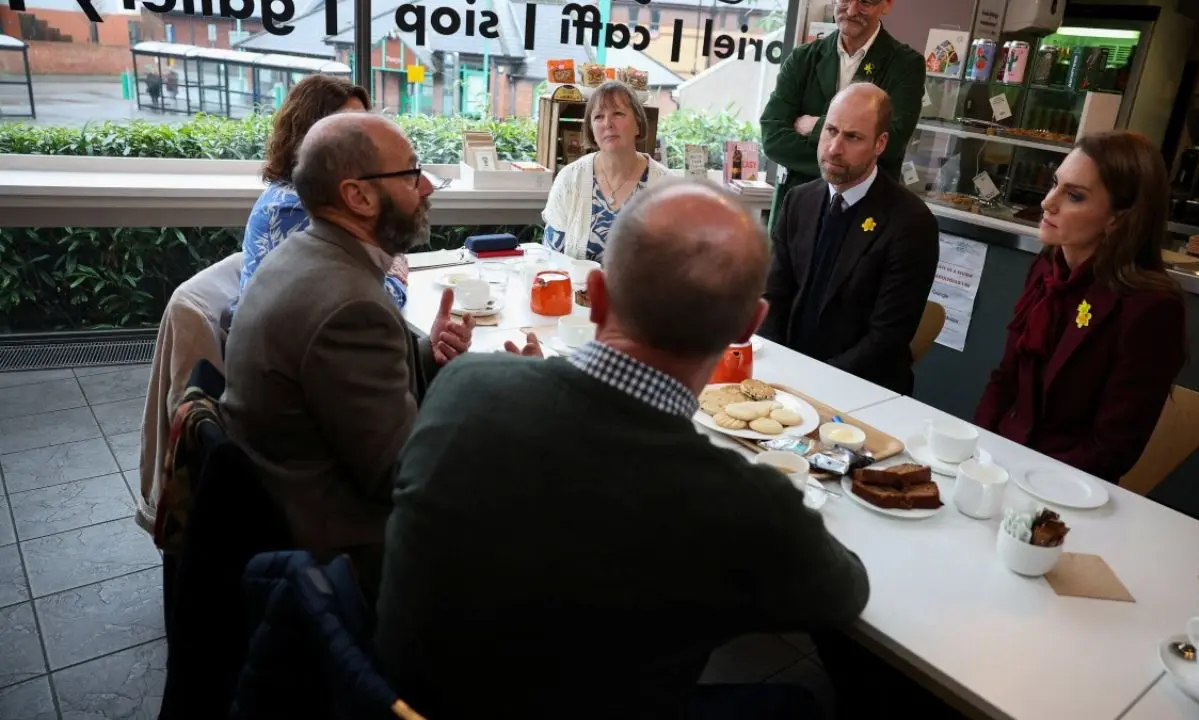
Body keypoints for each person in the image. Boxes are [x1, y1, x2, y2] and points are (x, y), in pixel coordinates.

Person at [377, 180, 871, 719]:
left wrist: (534, 391)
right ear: (747, 326)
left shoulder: (466, 385)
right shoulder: (740, 503)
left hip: (402, 699)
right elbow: (843, 595)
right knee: (796, 704)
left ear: (599, 294)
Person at [221, 112, 475, 597]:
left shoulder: (302, 254)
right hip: (347, 551)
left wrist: (424, 351)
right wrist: (492, 406)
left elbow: (335, 384)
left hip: (288, 499)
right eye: (411, 173)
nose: (425, 188)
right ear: (357, 196)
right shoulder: (351, 303)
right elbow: (400, 475)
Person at [974, 131, 1187, 483]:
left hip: (1065, 488)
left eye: (1073, 196)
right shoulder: (1047, 268)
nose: (1047, 203)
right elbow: (1005, 378)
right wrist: (977, 450)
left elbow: (1111, 449)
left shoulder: (1150, 309)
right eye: (1054, 184)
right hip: (1001, 463)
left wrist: (1021, 475)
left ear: (1117, 218)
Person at [761, 83, 939, 396]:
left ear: (880, 143)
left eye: (852, 137)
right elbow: (773, 296)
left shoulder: (911, 222)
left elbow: (886, 339)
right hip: (786, 380)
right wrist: (776, 369)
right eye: (830, 130)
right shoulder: (798, 201)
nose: (833, 148)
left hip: (860, 392)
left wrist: (810, 383)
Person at [233, 75, 410, 318]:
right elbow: (370, 305)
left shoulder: (314, 193)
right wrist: (396, 275)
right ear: (310, 136)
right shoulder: (296, 209)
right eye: (351, 131)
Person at [760, 0, 924, 225]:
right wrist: (853, 158)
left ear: (886, 5)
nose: (852, 9)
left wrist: (818, 127)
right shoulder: (802, 59)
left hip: (865, 213)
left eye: (865, 2)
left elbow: (891, 143)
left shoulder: (905, 65)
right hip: (799, 210)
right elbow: (773, 138)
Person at [542, 80, 672, 261]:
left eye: (618, 114)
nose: (607, 124)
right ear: (591, 129)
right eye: (598, 117)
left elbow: (678, 266)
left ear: (638, 124)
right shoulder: (570, 178)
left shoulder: (667, 187)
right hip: (577, 288)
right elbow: (551, 259)